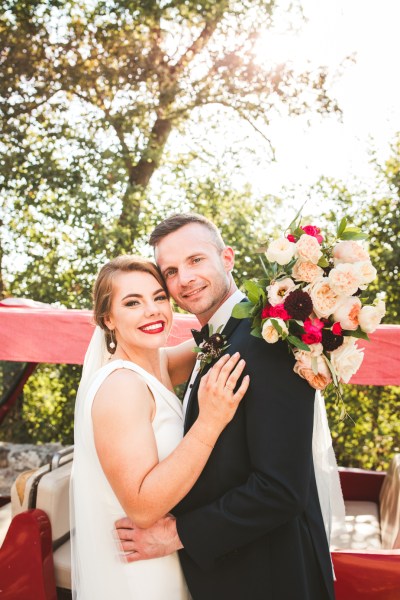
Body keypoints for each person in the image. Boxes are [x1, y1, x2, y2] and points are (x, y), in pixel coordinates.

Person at [116, 214, 341, 600]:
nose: (184, 278)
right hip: (228, 575)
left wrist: (176, 534)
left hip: (271, 577)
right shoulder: (219, 340)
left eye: (196, 260)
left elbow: (281, 489)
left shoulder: (269, 342)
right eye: (170, 271)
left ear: (228, 258)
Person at [70, 255, 249, 599]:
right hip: (140, 572)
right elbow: (142, 507)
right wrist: (210, 422)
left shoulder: (160, 365)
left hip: (168, 557)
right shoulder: (121, 387)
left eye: (159, 297)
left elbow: (225, 334)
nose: (152, 310)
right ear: (108, 319)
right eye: (133, 302)